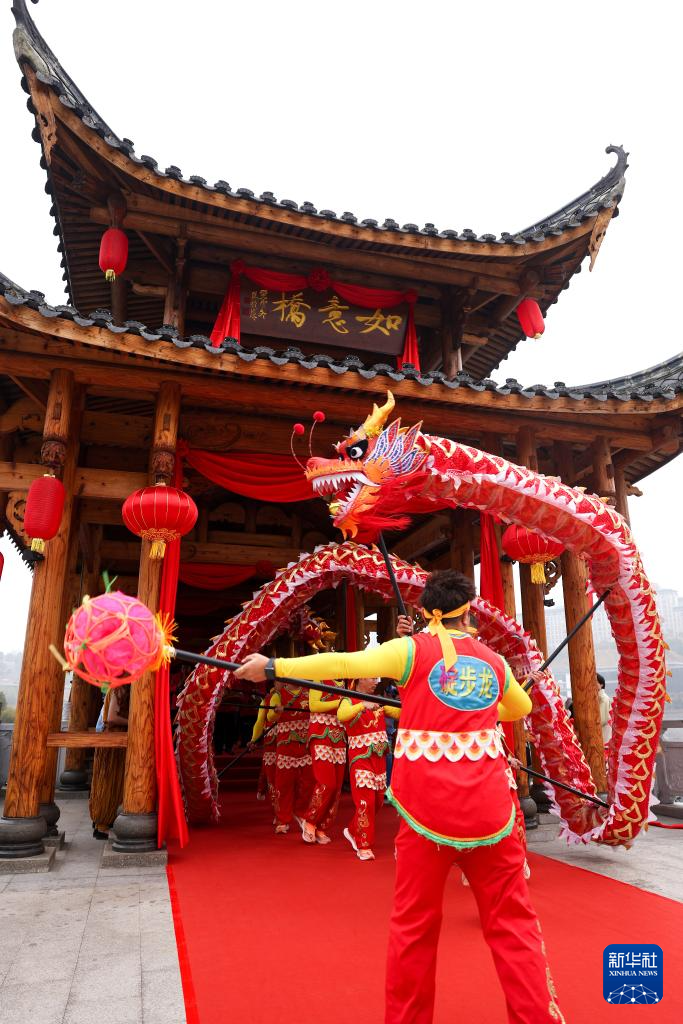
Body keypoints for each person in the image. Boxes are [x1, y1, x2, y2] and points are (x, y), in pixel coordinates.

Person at [236, 569, 564, 1024]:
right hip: (492, 813)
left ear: (428, 612)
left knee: (415, 928)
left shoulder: (410, 651)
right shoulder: (494, 661)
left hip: (425, 813)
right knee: (514, 924)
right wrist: (495, 695)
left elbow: (346, 663)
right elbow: (518, 709)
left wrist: (274, 667)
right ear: (468, 610)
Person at [338, 677, 400, 861]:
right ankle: (364, 844)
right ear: (359, 678)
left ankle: (352, 830)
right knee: (365, 802)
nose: (376, 682)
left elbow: (398, 713)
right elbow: (342, 715)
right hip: (360, 759)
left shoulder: (378, 700)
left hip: (379, 759)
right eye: (372, 678)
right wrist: (362, 705)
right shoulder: (348, 699)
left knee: (378, 801)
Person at [298, 681, 346, 845]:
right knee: (327, 782)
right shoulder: (319, 678)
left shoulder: (343, 683)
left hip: (339, 736)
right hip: (320, 734)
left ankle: (322, 825)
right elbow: (314, 705)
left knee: (337, 786)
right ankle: (310, 820)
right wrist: (340, 703)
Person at [269, 681, 313, 834]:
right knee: (284, 784)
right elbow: (270, 717)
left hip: (306, 745)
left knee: (308, 782)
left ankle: (301, 812)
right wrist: (277, 711)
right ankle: (283, 819)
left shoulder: (310, 693)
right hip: (286, 745)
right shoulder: (278, 695)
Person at [89, 686, 129, 840]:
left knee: (111, 781)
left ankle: (104, 820)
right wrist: (132, 720)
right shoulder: (119, 690)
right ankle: (102, 824)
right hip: (112, 740)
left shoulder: (118, 689)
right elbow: (111, 717)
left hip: (114, 740)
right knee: (107, 781)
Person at [597, 672, 612, 743]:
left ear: (601, 684)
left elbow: (602, 719)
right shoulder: (600, 697)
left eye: (595, 682)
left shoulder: (603, 698)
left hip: (602, 732)